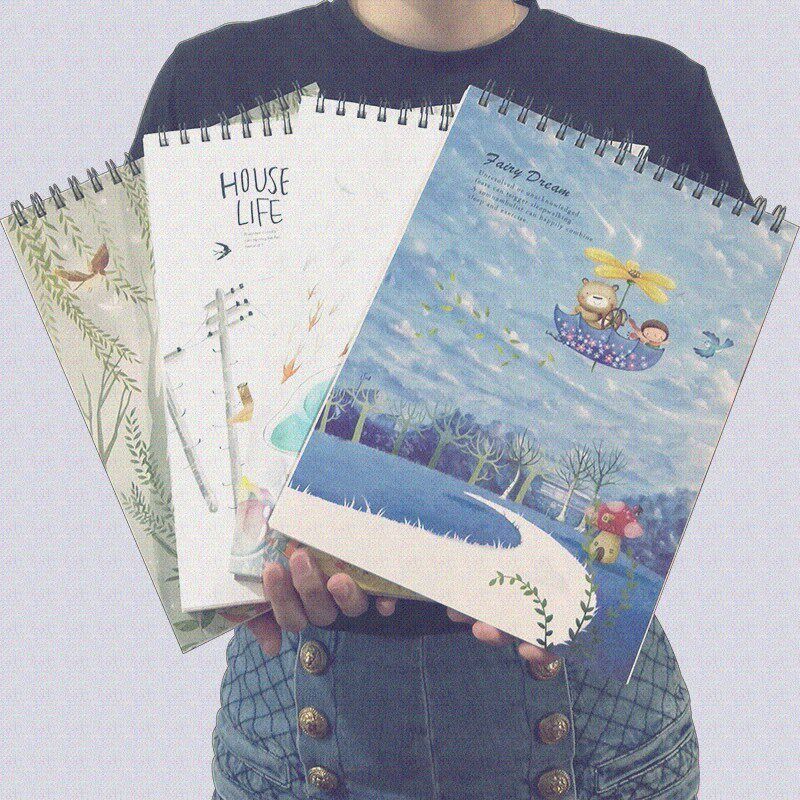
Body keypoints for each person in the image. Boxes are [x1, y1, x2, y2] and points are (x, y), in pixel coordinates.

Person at [132, 2, 749, 797]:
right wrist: (228, 576)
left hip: (589, 735)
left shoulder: (656, 93)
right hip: (299, 724)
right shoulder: (214, 83)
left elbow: (687, 409)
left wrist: (598, 592)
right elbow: (164, 410)